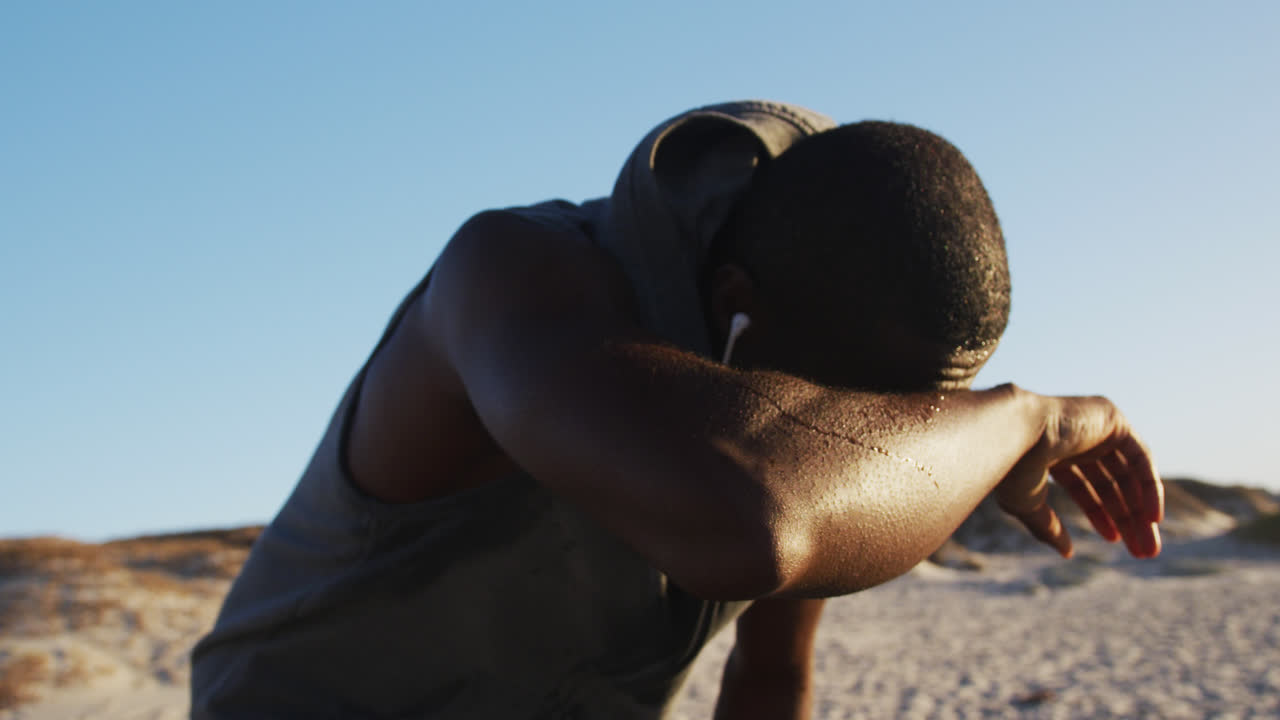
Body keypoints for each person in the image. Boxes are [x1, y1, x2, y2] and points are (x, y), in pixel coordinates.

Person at [190, 100, 1163, 719]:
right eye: (874, 410)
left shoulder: (799, 370)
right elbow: (756, 522)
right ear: (737, 307)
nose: (882, 431)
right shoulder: (511, 279)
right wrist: (1026, 420)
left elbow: (770, 677)